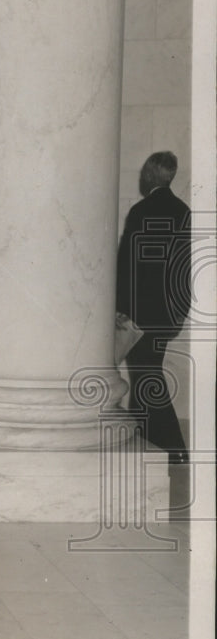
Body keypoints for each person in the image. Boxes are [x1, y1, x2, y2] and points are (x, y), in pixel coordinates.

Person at [116, 151, 192, 465]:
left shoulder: (141, 210)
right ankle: (152, 442)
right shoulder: (183, 210)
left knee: (147, 376)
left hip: (141, 313)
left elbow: (127, 265)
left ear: (149, 176)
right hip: (168, 314)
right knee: (146, 373)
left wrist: (121, 309)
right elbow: (184, 268)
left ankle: (173, 447)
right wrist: (179, 311)